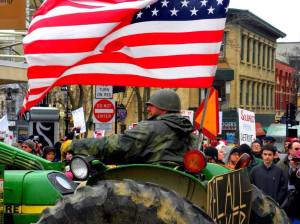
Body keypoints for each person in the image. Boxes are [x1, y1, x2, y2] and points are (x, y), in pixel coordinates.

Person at [70, 89, 194, 164]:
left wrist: (75, 145)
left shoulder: (151, 127)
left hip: (149, 183)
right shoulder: (185, 131)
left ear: (164, 108)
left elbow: (117, 146)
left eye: (152, 105)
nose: (148, 108)